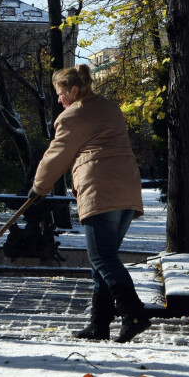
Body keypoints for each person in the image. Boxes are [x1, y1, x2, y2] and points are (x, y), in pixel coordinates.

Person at [28, 64, 148, 343]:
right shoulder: (110, 108)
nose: (59, 99)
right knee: (103, 259)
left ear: (74, 89)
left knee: (101, 257)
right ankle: (99, 325)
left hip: (100, 190)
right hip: (127, 190)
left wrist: (39, 188)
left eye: (60, 93)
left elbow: (56, 155)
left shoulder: (73, 116)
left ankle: (134, 313)